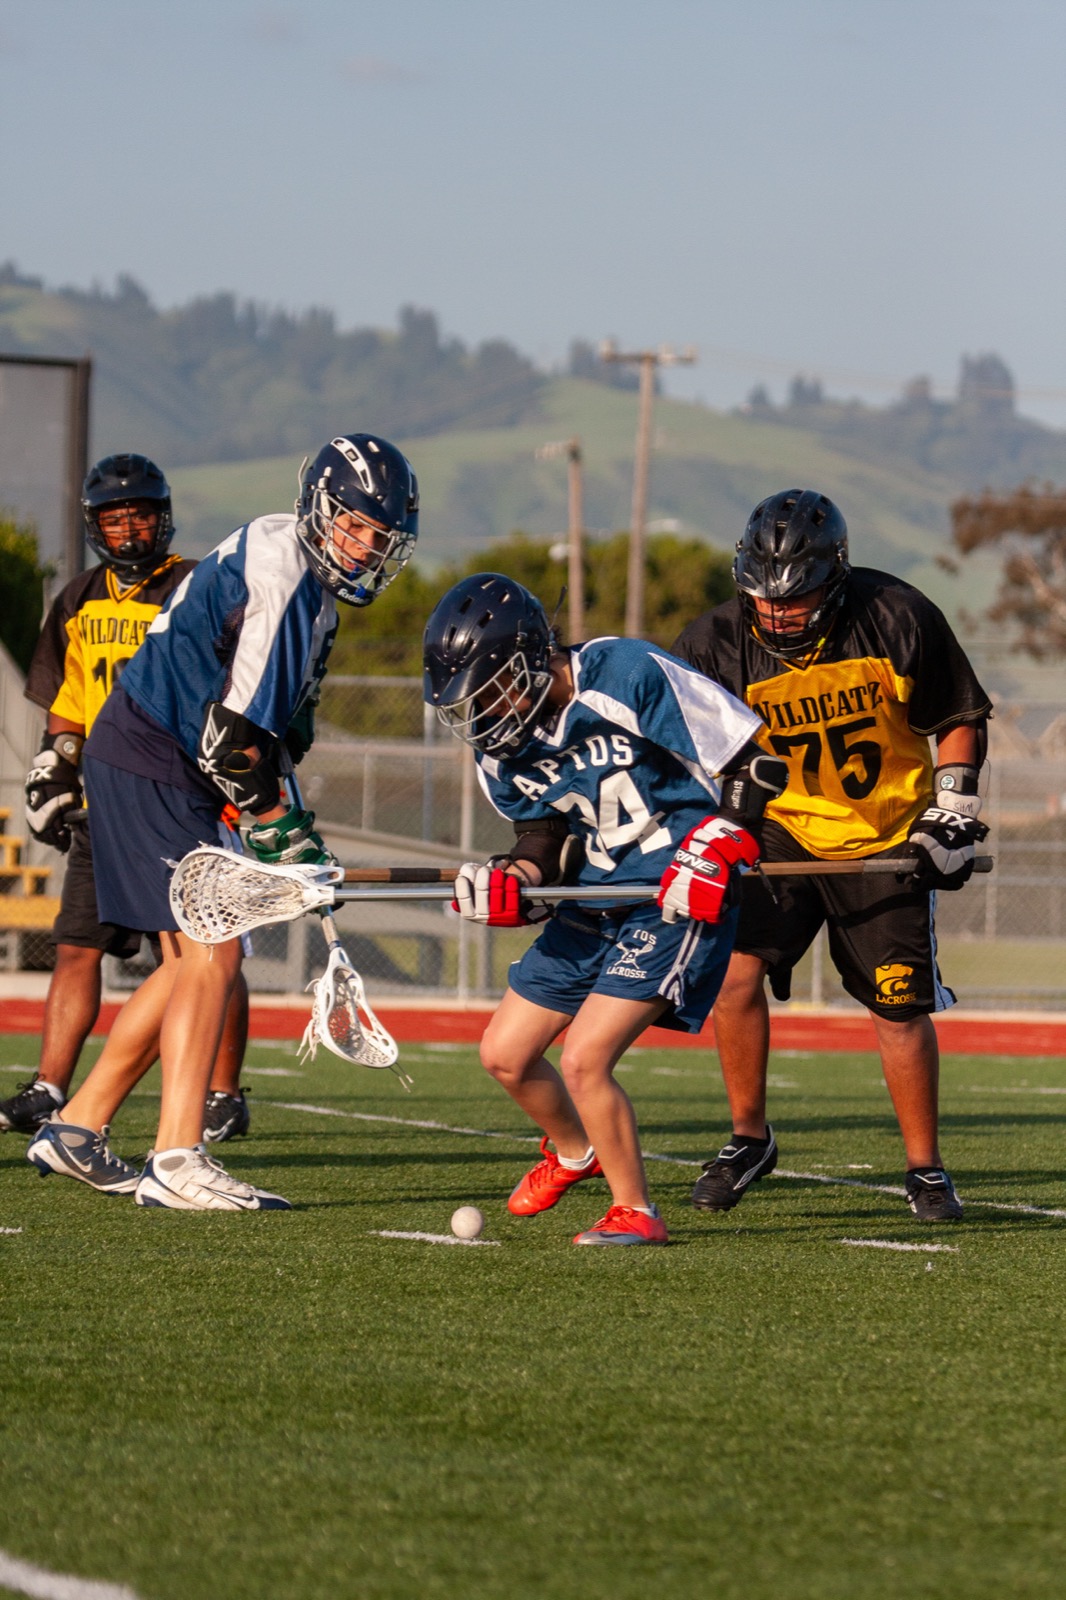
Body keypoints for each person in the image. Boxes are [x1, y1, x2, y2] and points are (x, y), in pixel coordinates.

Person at [26, 432, 419, 1210]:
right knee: (215, 954)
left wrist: (291, 824)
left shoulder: (298, 570)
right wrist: (282, 832)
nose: (365, 546)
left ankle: (78, 1124)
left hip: (160, 760)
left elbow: (272, 734)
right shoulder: (285, 578)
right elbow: (231, 743)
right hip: (158, 758)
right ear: (319, 509)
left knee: (186, 965)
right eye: (353, 525)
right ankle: (178, 1156)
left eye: (380, 535)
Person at [423, 572, 787, 1246]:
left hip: (673, 895)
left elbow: (757, 765)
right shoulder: (501, 745)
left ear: (533, 657)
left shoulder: (623, 673)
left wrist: (719, 841)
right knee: (505, 1054)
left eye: (493, 689)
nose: (485, 712)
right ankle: (575, 1151)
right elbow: (543, 836)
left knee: (584, 1059)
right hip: (595, 896)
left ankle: (636, 1210)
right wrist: (515, 879)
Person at [672, 488, 992, 1223]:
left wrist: (952, 809)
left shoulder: (896, 615)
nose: (777, 612)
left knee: (898, 1005)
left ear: (835, 579)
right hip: (779, 826)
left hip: (885, 831)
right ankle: (749, 1139)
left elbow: (958, 716)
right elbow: (681, 754)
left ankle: (925, 1167)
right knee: (734, 973)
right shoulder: (714, 644)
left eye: (796, 597)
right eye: (763, 595)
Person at [3, 453, 250, 1144]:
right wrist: (55, 765)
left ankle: (222, 1093)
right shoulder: (79, 598)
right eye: (115, 519)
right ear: (95, 526)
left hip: (179, 790)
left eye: (140, 515)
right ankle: (51, 1086)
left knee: (204, 948)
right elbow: (66, 698)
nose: (130, 530)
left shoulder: (194, 586)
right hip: (104, 795)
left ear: (162, 518)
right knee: (77, 945)